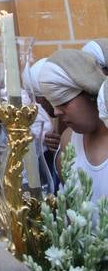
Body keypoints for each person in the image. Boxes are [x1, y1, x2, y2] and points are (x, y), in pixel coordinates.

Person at [36, 48, 108, 202]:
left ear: (89, 92)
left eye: (64, 102)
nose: (56, 112)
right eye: (52, 103)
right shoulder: (68, 140)